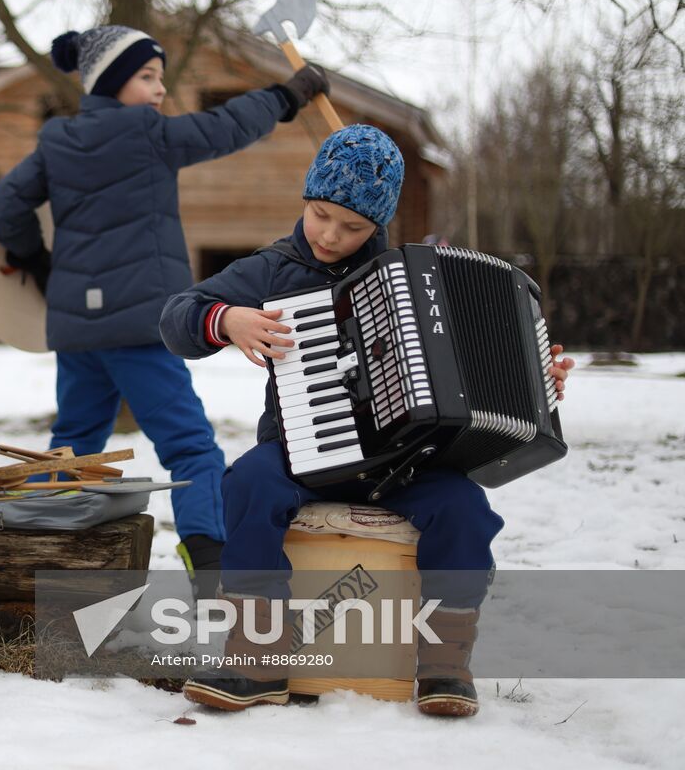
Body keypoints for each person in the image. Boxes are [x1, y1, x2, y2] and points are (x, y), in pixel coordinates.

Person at [159, 124, 576, 717]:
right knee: (247, 484)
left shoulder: (414, 278)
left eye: (352, 226)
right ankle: (257, 658)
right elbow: (178, 317)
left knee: (465, 510)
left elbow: (490, 362)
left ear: (376, 224)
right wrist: (228, 321)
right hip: (303, 452)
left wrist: (538, 380)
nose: (330, 235)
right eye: (320, 214)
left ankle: (444, 665)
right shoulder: (274, 270)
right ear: (306, 200)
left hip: (406, 463)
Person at [0, 25, 330, 586]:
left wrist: (38, 261)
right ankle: (209, 558)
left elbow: (5, 207)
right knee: (190, 447)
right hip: (143, 325)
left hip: (78, 330)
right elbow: (227, 127)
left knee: (70, 447)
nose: (160, 91)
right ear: (112, 82)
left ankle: (28, 547)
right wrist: (288, 95)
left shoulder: (56, 143)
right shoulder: (149, 134)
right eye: (148, 77)